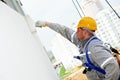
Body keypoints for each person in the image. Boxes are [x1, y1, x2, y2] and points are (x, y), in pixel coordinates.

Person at [35, 16, 120, 80]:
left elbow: (112, 66)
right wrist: (46, 24)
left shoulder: (94, 48)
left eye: (78, 29)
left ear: (85, 31)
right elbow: (65, 31)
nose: (76, 32)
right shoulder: (82, 42)